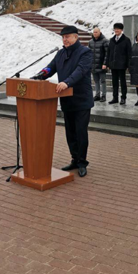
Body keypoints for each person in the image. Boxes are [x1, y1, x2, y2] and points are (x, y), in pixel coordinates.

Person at [42, 26, 94, 177]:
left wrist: (67, 82)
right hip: (66, 99)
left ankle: (82, 163)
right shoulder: (60, 53)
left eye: (68, 37)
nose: (65, 39)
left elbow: (80, 71)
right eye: (63, 37)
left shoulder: (85, 52)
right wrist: (38, 76)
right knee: (70, 133)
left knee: (80, 132)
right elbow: (50, 69)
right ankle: (74, 159)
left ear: (76, 37)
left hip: (81, 100)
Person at [107, 23, 132, 105]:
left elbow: (129, 53)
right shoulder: (112, 40)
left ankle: (123, 97)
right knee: (114, 82)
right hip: (113, 65)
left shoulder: (126, 40)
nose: (116, 30)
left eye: (118, 29)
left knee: (122, 82)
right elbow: (109, 52)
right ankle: (115, 97)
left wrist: (129, 64)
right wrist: (108, 63)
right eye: (115, 29)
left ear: (121, 30)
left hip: (122, 64)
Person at [88, 27, 109, 102]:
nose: (95, 33)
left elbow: (107, 53)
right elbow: (89, 54)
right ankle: (97, 95)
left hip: (101, 65)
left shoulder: (105, 41)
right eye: (94, 32)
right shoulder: (90, 42)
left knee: (103, 81)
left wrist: (105, 63)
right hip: (93, 65)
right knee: (96, 81)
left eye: (96, 32)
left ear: (100, 32)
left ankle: (103, 95)